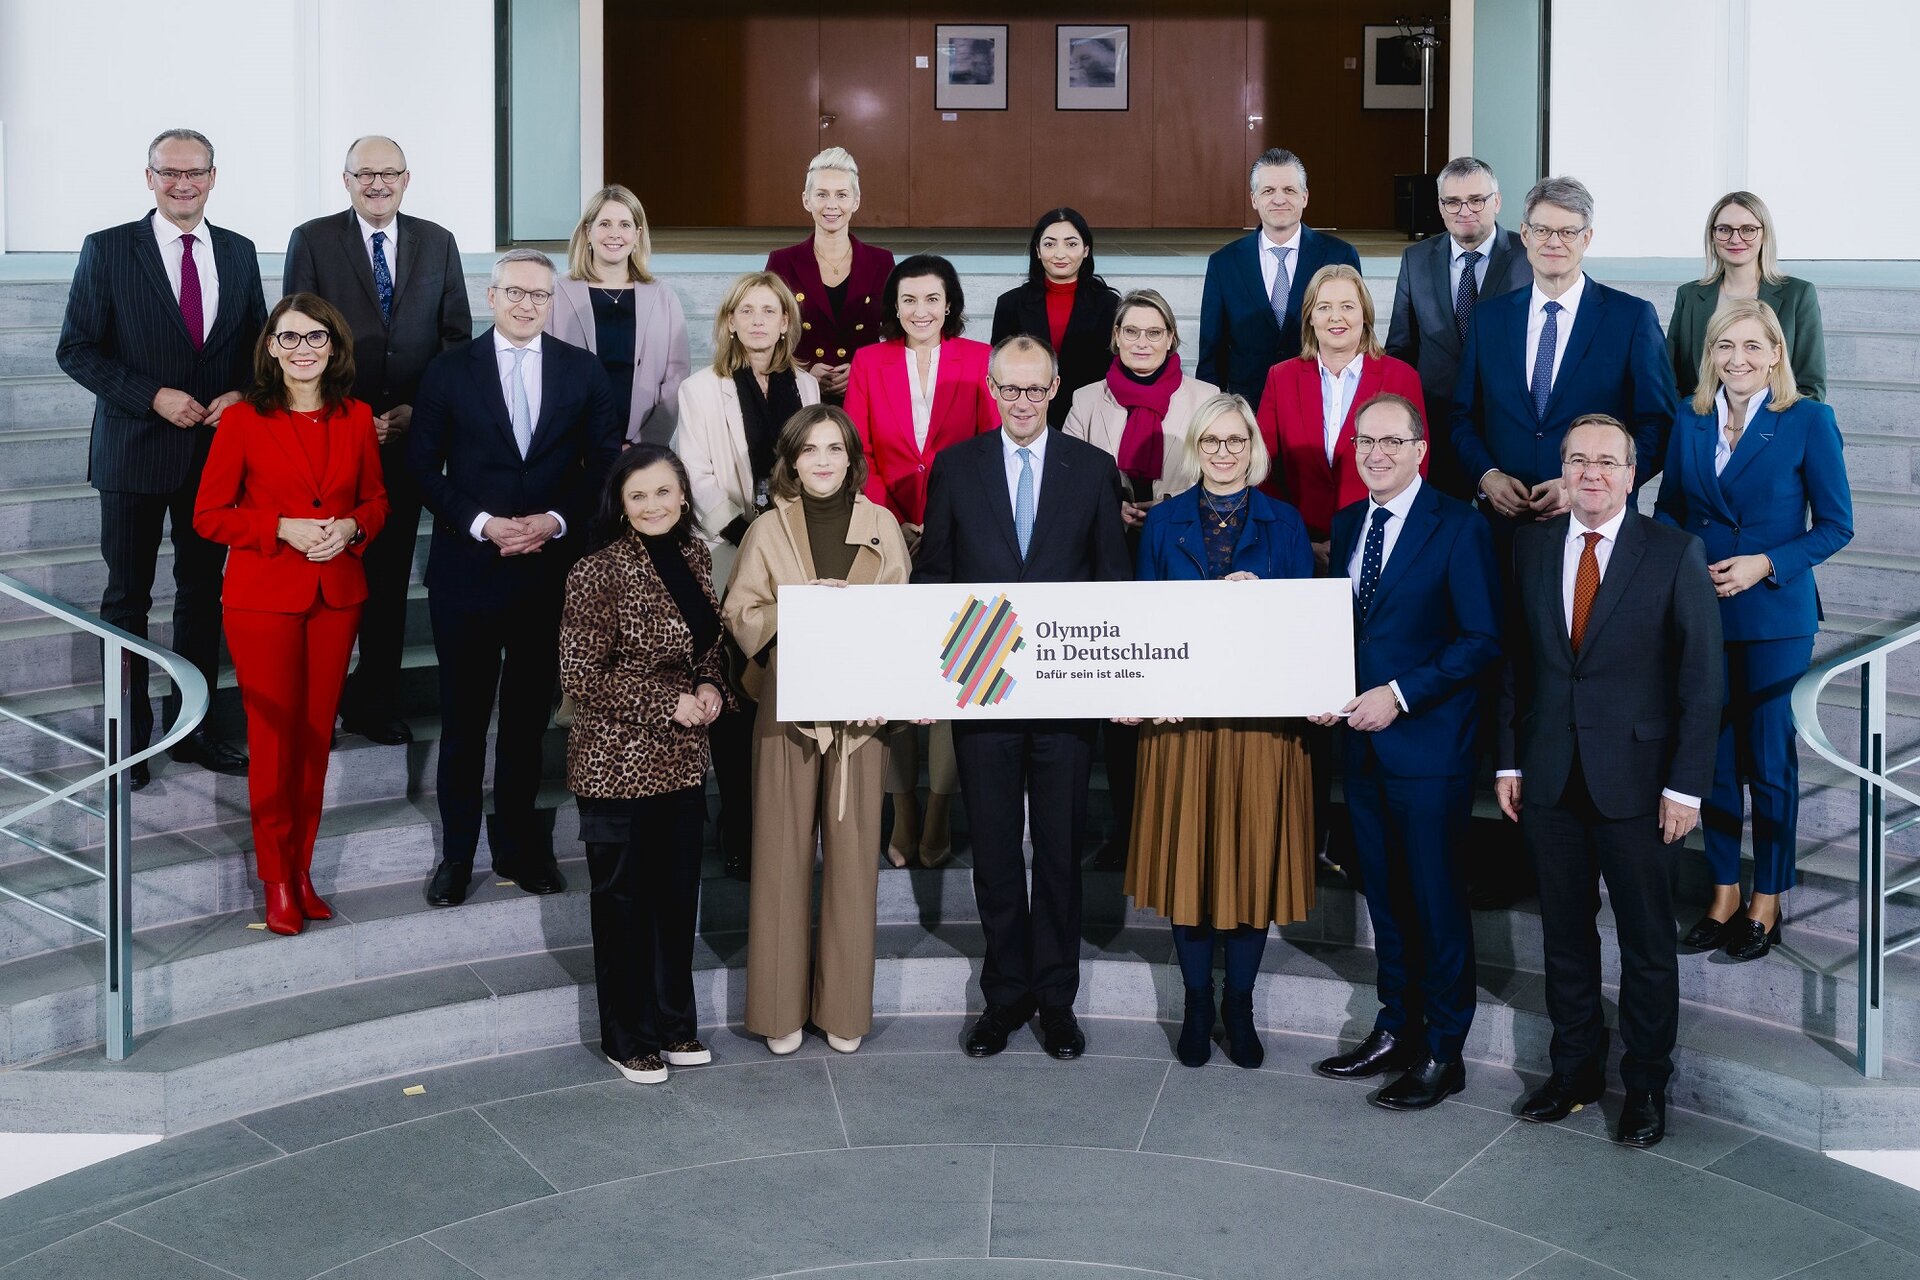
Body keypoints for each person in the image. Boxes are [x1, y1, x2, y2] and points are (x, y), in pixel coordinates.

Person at [1496, 414, 1722, 1150]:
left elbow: (1702, 681)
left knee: (1647, 944)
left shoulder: (1674, 552)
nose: (1590, 473)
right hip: (1551, 778)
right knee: (1565, 937)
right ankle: (1575, 1071)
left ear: (1631, 475)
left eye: (1606, 461)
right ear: (1562, 471)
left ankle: (1647, 1085)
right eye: (1577, 460)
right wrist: (1510, 761)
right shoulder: (1532, 547)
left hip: (1641, 785)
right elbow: (1516, 664)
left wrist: (1685, 788)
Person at [913, 335, 1132, 1061]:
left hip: (1067, 698)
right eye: (1011, 388)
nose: (1023, 401)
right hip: (983, 689)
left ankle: (1057, 1000)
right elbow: (934, 579)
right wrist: (927, 680)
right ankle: (1005, 995)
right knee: (997, 852)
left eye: (1036, 389)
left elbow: (1112, 584)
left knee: (1062, 854)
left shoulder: (1093, 469)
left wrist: (1119, 683)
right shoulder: (956, 466)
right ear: (991, 388)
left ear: (1056, 388)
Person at [409, 249, 623, 908]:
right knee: (465, 724)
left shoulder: (582, 370)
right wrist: (482, 524)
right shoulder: (449, 370)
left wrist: (555, 520)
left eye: (539, 294)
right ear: (491, 295)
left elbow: (605, 462)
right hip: (467, 572)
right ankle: (456, 855)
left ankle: (519, 848)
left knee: (528, 724)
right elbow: (422, 468)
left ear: (552, 301)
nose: (527, 304)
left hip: (547, 574)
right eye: (516, 292)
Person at [1306, 393, 1501, 1109]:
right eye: (1366, 441)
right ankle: (1397, 1028)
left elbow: (1481, 639)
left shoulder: (1460, 524)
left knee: (1435, 903)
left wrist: (1399, 694)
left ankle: (1444, 1051)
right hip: (1361, 749)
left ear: (1421, 449)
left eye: (1392, 441)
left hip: (1428, 748)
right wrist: (1327, 688)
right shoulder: (1348, 522)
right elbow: (1351, 631)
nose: (1377, 453)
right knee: (1386, 900)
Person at [56, 128, 266, 788]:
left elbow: (259, 348)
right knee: (127, 599)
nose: (183, 184)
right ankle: (130, 741)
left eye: (194, 172)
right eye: (169, 172)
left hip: (215, 458)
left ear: (213, 177)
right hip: (133, 453)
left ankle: (192, 729)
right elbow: (76, 350)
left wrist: (244, 393)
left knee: (203, 597)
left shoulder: (238, 251)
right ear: (149, 177)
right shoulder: (109, 249)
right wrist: (152, 396)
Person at [1654, 301, 1852, 961]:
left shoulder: (1808, 420)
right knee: (1709, 759)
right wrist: (1682, 572)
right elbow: (1673, 509)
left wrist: (1765, 562)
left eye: (1751, 347)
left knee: (1768, 762)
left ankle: (1767, 897)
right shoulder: (1690, 417)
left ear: (1775, 355)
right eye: (1724, 346)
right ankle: (1723, 892)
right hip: (1703, 610)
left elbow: (1836, 525)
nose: (1737, 359)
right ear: (1710, 354)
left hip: (1772, 617)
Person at [1124, 393, 1314, 1071]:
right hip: (1182, 724)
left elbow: (1306, 629)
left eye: (1236, 441)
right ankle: (1197, 1004)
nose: (1225, 452)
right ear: (1196, 447)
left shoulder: (1285, 523)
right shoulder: (1163, 522)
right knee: (1190, 867)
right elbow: (1142, 623)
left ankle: (1240, 1004)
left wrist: (1261, 605)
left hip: (1261, 726)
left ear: (1253, 447)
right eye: (1212, 441)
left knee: (1251, 866)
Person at [192, 294, 389, 935]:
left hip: (336, 595)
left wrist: (353, 528)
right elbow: (208, 516)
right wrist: (280, 527)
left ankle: (302, 869)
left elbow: (376, 500)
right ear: (271, 349)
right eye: (289, 338)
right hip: (263, 600)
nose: (303, 349)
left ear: (334, 346)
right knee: (274, 743)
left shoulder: (357, 417)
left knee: (315, 739)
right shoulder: (243, 420)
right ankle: (276, 878)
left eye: (315, 337)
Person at [724, 406, 910, 1056]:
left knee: (855, 862)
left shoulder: (882, 525)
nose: (823, 461)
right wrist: (805, 609)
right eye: (810, 450)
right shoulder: (768, 528)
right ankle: (779, 1011)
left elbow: (901, 618)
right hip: (787, 709)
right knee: (780, 856)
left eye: (835, 448)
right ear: (792, 461)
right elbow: (741, 612)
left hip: (861, 717)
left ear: (852, 459)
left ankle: (843, 1009)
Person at [284, 135, 472, 747]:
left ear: (406, 179)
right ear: (346, 181)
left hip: (410, 439)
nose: (377, 184)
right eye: (364, 173)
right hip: (332, 436)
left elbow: (455, 339)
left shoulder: (439, 242)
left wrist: (420, 410)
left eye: (389, 173)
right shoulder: (313, 240)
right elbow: (296, 333)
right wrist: (350, 413)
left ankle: (375, 702)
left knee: (388, 581)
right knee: (327, 578)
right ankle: (315, 702)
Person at [560, 443, 729, 1085]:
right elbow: (581, 675)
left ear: (683, 494)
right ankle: (626, 1037)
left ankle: (673, 1024)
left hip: (681, 762)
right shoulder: (596, 572)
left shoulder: (695, 556)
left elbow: (708, 644)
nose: (653, 505)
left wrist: (710, 685)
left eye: (663, 491)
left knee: (675, 900)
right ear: (621, 505)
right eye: (639, 496)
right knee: (624, 906)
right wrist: (667, 703)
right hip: (615, 766)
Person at [845, 253, 997, 867]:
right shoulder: (869, 361)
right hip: (885, 536)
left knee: (956, 676)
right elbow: (858, 450)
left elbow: (989, 448)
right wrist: (894, 522)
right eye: (908, 299)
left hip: (961, 538)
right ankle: (903, 807)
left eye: (932, 298)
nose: (920, 310)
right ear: (894, 305)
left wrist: (940, 522)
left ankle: (937, 809)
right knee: (895, 675)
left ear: (950, 303)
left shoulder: (980, 359)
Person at [1063, 288, 1220, 870]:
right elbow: (1067, 478)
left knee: (1178, 693)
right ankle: (1130, 832)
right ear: (1116, 338)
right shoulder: (1086, 400)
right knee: (1123, 699)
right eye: (1131, 331)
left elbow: (1224, 471)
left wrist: (1173, 508)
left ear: (1172, 338)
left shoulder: (1206, 397)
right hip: (1109, 558)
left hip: (1184, 555)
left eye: (1155, 332)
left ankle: (1180, 832)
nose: (1143, 342)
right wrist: (1113, 509)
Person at [673, 271, 821, 880]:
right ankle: (738, 827)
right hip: (730, 554)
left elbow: (815, 464)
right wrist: (749, 532)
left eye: (770, 311)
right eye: (747, 311)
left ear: (786, 323)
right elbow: (695, 473)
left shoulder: (806, 385)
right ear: (730, 321)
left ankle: (787, 826)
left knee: (785, 691)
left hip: (797, 556)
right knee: (734, 696)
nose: (759, 321)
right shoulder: (700, 389)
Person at [1450, 176, 1677, 546]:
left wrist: (1584, 485)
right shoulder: (1488, 317)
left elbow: (1659, 425)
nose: (1553, 242)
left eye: (1568, 232)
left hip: (1596, 528)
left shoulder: (1631, 318)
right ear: (1525, 235)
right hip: (1503, 529)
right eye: (1542, 230)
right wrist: (1486, 476)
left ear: (1586, 238)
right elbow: (1461, 416)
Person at [1384, 156, 1531, 499]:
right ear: (1440, 206)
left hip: (1507, 428)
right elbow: (1401, 348)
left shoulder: (1528, 256)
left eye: (1476, 200)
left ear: (1497, 201)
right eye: (1452, 201)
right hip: (1437, 427)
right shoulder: (1416, 259)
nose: (1464, 211)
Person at [1257, 263, 1428, 556]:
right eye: (1324, 307)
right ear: (1310, 317)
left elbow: (1415, 468)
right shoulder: (1280, 377)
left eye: (1347, 306)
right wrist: (1299, 543)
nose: (1336, 317)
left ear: (1365, 314)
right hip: (1298, 543)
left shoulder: (1402, 377)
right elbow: (1263, 469)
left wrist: (1376, 536)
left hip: (1378, 541)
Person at [1198, 147, 1361, 407]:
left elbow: (1356, 336)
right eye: (1268, 191)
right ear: (1254, 199)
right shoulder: (1224, 263)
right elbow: (1211, 352)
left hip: (1321, 402)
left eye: (1289, 190)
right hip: (1248, 407)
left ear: (1305, 197)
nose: (1279, 199)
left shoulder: (1340, 255)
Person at [547, 184, 691, 446]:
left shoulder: (663, 296)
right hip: (572, 447)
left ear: (637, 234)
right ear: (588, 232)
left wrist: (643, 444)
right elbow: (544, 373)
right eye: (605, 224)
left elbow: (677, 378)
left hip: (643, 447)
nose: (615, 234)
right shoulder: (557, 293)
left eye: (625, 225)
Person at [1666, 191, 1827, 402]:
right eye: (1724, 229)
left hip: (1774, 420)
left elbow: (1810, 387)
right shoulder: (1689, 295)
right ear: (1712, 235)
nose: (1735, 239)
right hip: (1701, 419)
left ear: (1764, 234)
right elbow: (1670, 378)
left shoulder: (1798, 294)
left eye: (1748, 229)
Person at [765, 147, 895, 404]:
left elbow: (895, 335)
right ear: (806, 200)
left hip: (866, 395)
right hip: (800, 397)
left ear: (856, 201)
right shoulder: (781, 261)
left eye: (842, 195)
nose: (832, 205)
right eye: (822, 194)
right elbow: (768, 332)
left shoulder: (881, 261)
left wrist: (862, 369)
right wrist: (803, 371)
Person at [990, 208, 1121, 427]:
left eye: (1071, 244)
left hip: (1091, 416)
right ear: (1038, 250)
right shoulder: (1010, 304)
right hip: (1027, 413)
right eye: (1050, 244)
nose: (1060, 254)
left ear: (1086, 250)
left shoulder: (1110, 304)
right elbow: (1000, 369)